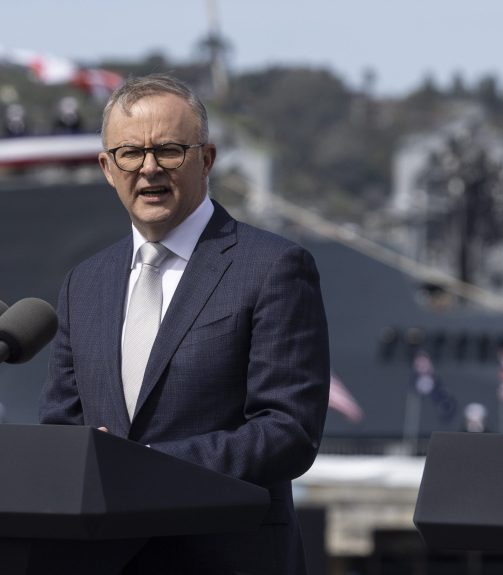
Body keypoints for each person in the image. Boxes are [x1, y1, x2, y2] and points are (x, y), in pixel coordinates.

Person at [39, 74, 330, 574]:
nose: (149, 169)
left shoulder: (275, 267)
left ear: (207, 159)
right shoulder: (82, 284)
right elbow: (61, 429)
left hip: (225, 557)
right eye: (130, 153)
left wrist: (147, 466)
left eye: (169, 151)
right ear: (108, 168)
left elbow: (289, 432)